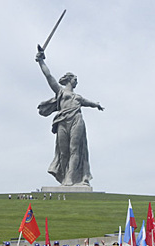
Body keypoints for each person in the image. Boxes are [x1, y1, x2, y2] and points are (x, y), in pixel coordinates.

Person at [36, 47, 104, 187]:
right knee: (63, 151)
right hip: (62, 121)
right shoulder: (60, 92)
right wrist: (41, 61)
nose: (76, 82)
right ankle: (64, 176)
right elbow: (49, 77)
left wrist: (96, 104)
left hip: (76, 120)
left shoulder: (78, 97)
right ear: (69, 79)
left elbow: (89, 103)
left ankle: (70, 179)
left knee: (75, 149)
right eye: (75, 79)